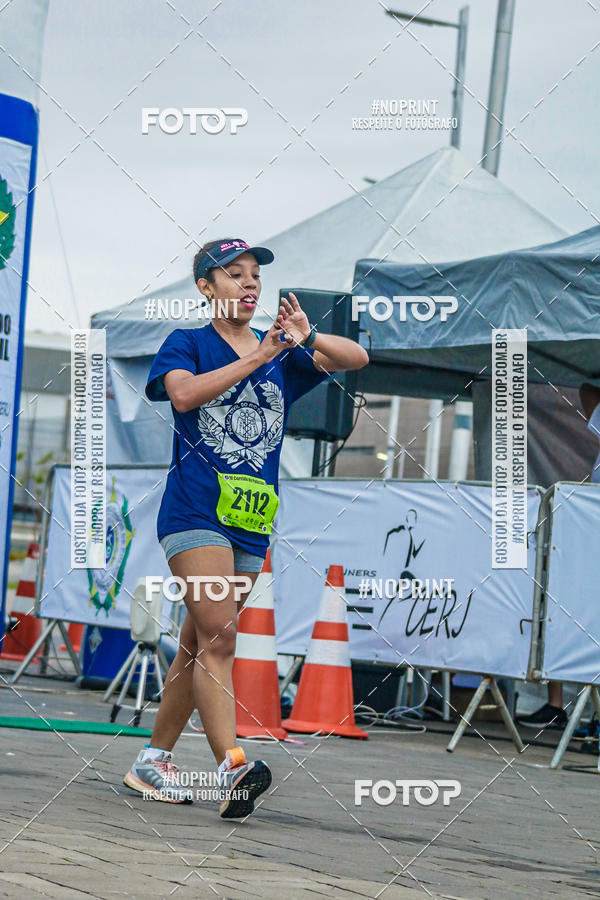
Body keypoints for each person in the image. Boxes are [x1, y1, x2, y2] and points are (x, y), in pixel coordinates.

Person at [123, 237, 368, 816]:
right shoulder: (188, 342)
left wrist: (305, 339)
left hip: (250, 521)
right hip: (195, 514)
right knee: (221, 637)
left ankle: (152, 760)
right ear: (206, 288)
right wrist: (257, 358)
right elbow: (181, 396)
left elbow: (355, 359)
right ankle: (233, 764)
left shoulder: (281, 351)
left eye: (254, 275)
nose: (249, 284)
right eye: (233, 275)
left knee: (196, 642)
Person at [517, 381, 600, 730]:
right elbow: (586, 390)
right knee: (565, 603)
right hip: (589, 527)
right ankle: (557, 704)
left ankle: (573, 707)